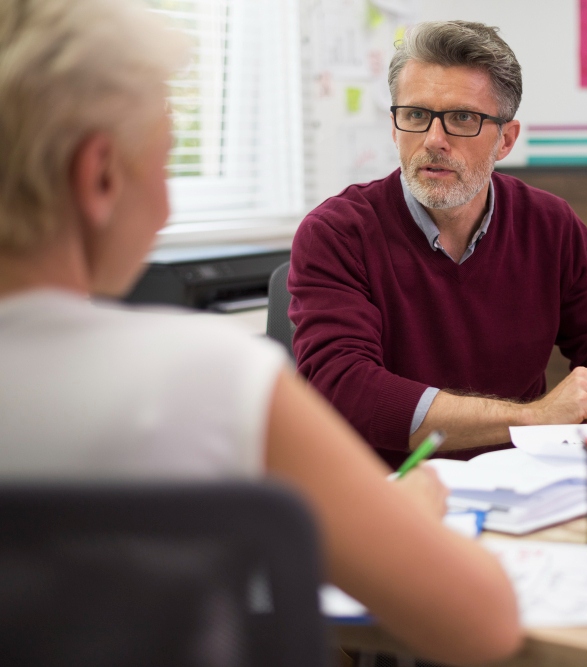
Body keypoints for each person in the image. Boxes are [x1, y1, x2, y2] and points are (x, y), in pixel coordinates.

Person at [0, 2, 521, 664]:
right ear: (99, 175)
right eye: (163, 158)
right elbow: (484, 624)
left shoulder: (544, 223)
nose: (164, 204)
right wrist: (412, 512)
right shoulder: (205, 377)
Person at [289, 20, 587, 467]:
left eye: (462, 118)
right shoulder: (336, 233)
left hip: (522, 484)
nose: (433, 140)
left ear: (506, 139)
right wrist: (533, 418)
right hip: (390, 494)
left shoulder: (550, 224)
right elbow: (346, 390)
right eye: (415, 115)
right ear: (394, 127)